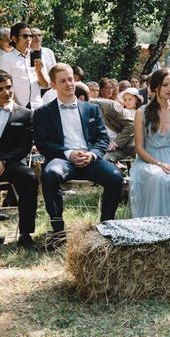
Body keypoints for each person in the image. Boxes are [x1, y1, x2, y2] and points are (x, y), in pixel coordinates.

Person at [34, 64, 123, 250]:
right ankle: (58, 231)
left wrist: (92, 154)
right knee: (49, 175)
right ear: (53, 85)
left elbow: (102, 138)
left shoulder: (91, 109)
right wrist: (69, 153)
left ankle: (106, 227)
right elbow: (42, 143)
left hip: (90, 159)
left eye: (71, 79)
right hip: (62, 159)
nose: (68, 84)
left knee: (115, 176)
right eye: (63, 81)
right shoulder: (43, 112)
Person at [128, 69, 170, 217]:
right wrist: (159, 164)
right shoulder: (142, 112)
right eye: (165, 85)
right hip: (150, 160)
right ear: (156, 87)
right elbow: (139, 148)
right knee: (158, 178)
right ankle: (155, 228)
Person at [0, 71, 37, 247]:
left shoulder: (25, 114)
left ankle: (25, 233)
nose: (6, 92)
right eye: (0, 89)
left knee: (29, 177)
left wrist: (4, 160)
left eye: (8, 87)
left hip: (12, 163)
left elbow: (24, 146)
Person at [0, 22, 49, 109]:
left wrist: (38, 72)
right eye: (25, 36)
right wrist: (18, 108)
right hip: (18, 109)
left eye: (30, 36)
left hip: (37, 106)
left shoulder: (38, 57)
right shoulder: (6, 59)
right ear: (14, 38)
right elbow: (6, 87)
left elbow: (45, 85)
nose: (29, 39)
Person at [90, 87, 137, 163]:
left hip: (129, 141)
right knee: (101, 164)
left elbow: (131, 124)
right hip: (109, 149)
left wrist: (116, 143)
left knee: (147, 159)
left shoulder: (108, 106)